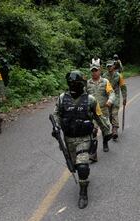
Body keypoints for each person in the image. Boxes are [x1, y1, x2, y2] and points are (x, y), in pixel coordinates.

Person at [53, 71, 112, 209]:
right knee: (73, 166)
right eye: (71, 83)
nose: (73, 85)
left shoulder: (90, 99)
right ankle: (82, 177)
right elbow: (56, 114)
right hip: (69, 139)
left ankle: (83, 192)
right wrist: (56, 126)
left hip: (84, 138)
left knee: (82, 166)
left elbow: (99, 116)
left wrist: (106, 131)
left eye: (76, 83)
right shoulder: (62, 98)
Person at [86, 63, 115, 160]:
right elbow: (83, 96)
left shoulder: (105, 81)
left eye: (96, 70)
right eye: (92, 71)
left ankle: (105, 142)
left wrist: (110, 101)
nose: (94, 73)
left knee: (106, 131)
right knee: (93, 131)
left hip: (103, 110)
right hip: (92, 112)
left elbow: (111, 93)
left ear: (99, 71)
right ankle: (93, 153)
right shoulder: (87, 83)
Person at [102, 60, 127, 141]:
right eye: (108, 66)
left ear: (114, 66)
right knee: (108, 115)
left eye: (110, 66)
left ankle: (115, 130)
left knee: (114, 113)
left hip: (116, 97)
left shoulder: (119, 76)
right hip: (107, 98)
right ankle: (112, 127)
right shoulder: (104, 76)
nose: (109, 67)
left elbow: (123, 87)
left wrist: (124, 97)